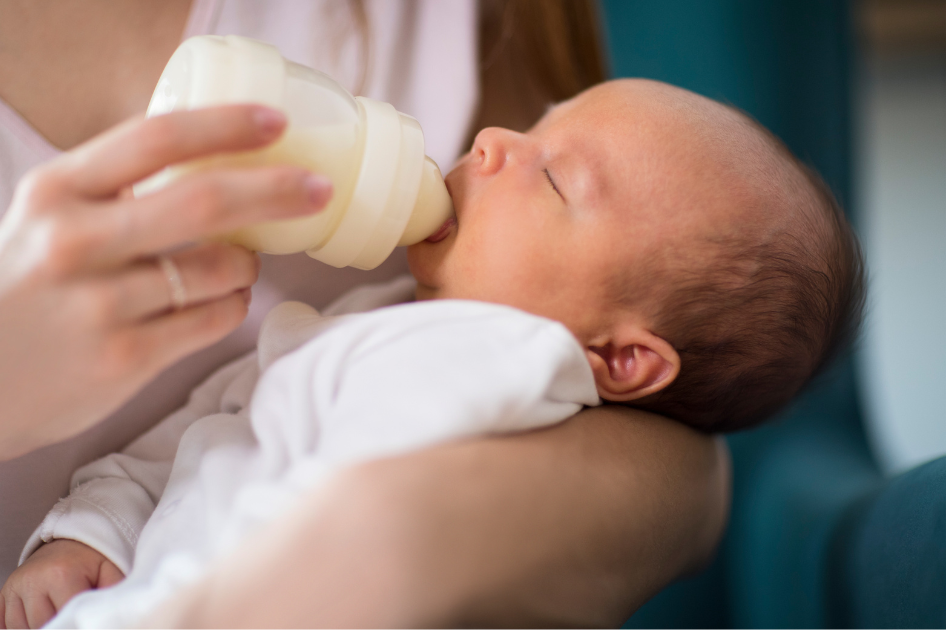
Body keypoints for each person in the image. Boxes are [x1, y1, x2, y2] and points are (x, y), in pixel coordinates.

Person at [5, 79, 863, 627]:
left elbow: (325, 535)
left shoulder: (498, 363)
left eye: (557, 179)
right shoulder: (384, 315)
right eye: (536, 125)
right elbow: (197, 432)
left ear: (622, 359)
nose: (493, 140)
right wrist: (90, 537)